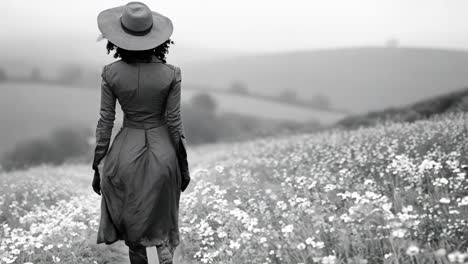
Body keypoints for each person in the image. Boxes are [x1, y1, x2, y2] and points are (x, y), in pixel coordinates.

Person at [92, 2, 190, 264]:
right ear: (156, 38)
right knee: (160, 234)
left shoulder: (110, 73)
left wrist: (97, 164)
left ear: (118, 39)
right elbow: (174, 122)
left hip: (124, 154)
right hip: (163, 155)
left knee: (135, 236)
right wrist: (183, 165)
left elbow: (105, 122)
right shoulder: (171, 74)